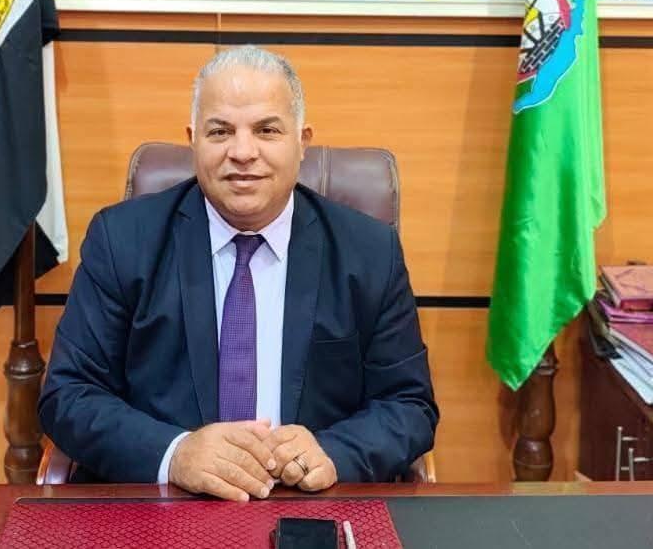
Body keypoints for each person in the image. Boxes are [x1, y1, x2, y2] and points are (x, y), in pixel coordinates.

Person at [39, 45, 438, 501]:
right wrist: (175, 453)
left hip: (309, 505)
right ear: (193, 140)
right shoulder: (122, 241)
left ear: (302, 141)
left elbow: (409, 405)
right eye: (220, 131)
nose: (243, 152)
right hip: (165, 504)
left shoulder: (369, 252)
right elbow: (67, 395)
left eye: (267, 130)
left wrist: (333, 451)